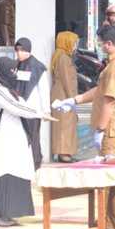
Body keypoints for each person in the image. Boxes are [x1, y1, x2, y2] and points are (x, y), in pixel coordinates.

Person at [54, 25, 115, 229]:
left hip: (112, 130)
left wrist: (99, 129)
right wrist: (74, 101)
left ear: (108, 43)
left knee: (112, 183)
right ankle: (112, 228)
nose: (98, 47)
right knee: (112, 182)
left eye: (100, 43)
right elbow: (100, 90)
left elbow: (109, 100)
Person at [0, 57, 55, 226]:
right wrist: (41, 113)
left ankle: (8, 213)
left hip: (14, 139)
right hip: (4, 139)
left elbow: (21, 103)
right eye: (12, 70)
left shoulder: (10, 90)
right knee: (2, 173)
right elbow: (17, 108)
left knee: (15, 172)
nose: (14, 73)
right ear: (3, 73)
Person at [14, 37, 49, 169]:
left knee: (33, 137)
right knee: (21, 137)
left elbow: (44, 90)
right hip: (20, 108)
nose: (19, 53)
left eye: (21, 50)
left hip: (34, 110)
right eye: (17, 50)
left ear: (28, 50)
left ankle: (36, 162)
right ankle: (24, 163)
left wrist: (46, 110)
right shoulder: (16, 65)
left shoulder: (38, 67)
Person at [50, 32, 79, 163]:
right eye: (73, 43)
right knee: (65, 126)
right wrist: (72, 99)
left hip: (61, 95)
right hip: (64, 96)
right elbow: (67, 81)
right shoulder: (64, 58)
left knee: (64, 125)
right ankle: (64, 153)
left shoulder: (60, 56)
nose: (75, 46)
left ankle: (65, 152)